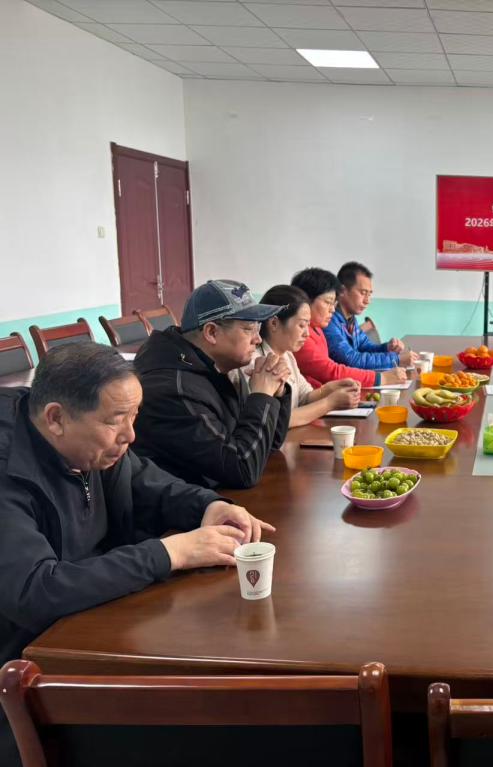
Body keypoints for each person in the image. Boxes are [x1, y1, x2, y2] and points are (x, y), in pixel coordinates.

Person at [0, 343, 273, 765]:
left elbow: (147, 481)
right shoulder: (9, 470)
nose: (131, 436)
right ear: (56, 418)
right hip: (29, 668)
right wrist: (170, 552)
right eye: (116, 420)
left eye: (134, 416)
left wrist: (207, 505)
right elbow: (35, 591)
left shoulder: (88, 446)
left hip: (93, 625)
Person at [132, 279, 293, 489]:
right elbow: (242, 469)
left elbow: (267, 446)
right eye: (248, 329)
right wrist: (261, 396)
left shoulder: (212, 366)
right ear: (211, 332)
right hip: (184, 506)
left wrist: (276, 394)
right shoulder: (173, 389)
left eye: (258, 328)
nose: (258, 339)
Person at [235, 284, 363, 428]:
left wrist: (330, 389)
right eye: (302, 325)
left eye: (308, 325)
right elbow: (277, 420)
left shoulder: (288, 356)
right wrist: (329, 403)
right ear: (274, 323)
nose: (307, 334)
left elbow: (304, 397)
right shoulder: (254, 362)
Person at [291, 268, 406, 389]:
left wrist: (387, 348)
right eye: (328, 302)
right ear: (306, 301)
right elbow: (334, 370)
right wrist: (381, 377)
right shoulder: (305, 335)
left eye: (333, 304)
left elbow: (364, 346)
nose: (332, 309)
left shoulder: (320, 327)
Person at [325, 261, 418, 371]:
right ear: (342, 291)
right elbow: (351, 360)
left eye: (369, 294)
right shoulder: (329, 321)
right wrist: (396, 359)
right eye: (363, 293)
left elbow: (365, 347)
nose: (367, 301)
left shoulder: (350, 319)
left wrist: (387, 348)